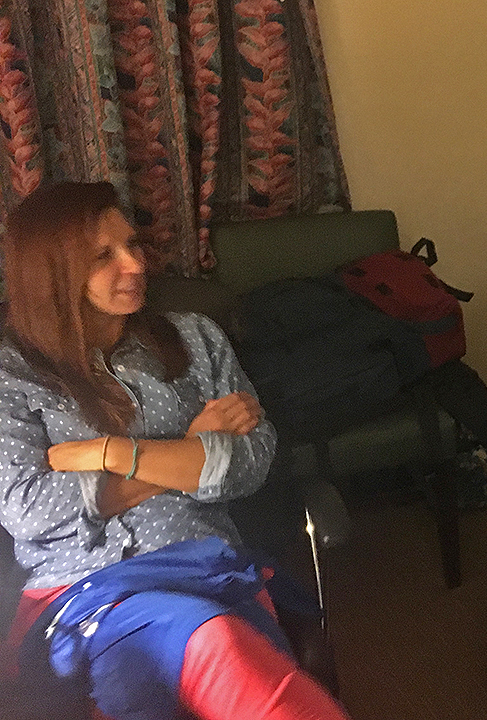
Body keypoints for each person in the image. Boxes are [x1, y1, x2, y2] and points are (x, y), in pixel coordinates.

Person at [0, 181, 350, 720]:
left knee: (210, 650)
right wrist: (189, 450)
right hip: (88, 590)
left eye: (131, 244)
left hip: (210, 570)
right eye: (103, 256)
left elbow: (251, 460)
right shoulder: (12, 374)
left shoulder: (196, 340)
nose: (135, 265)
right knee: (208, 647)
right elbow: (29, 507)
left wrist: (111, 454)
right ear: (51, 274)